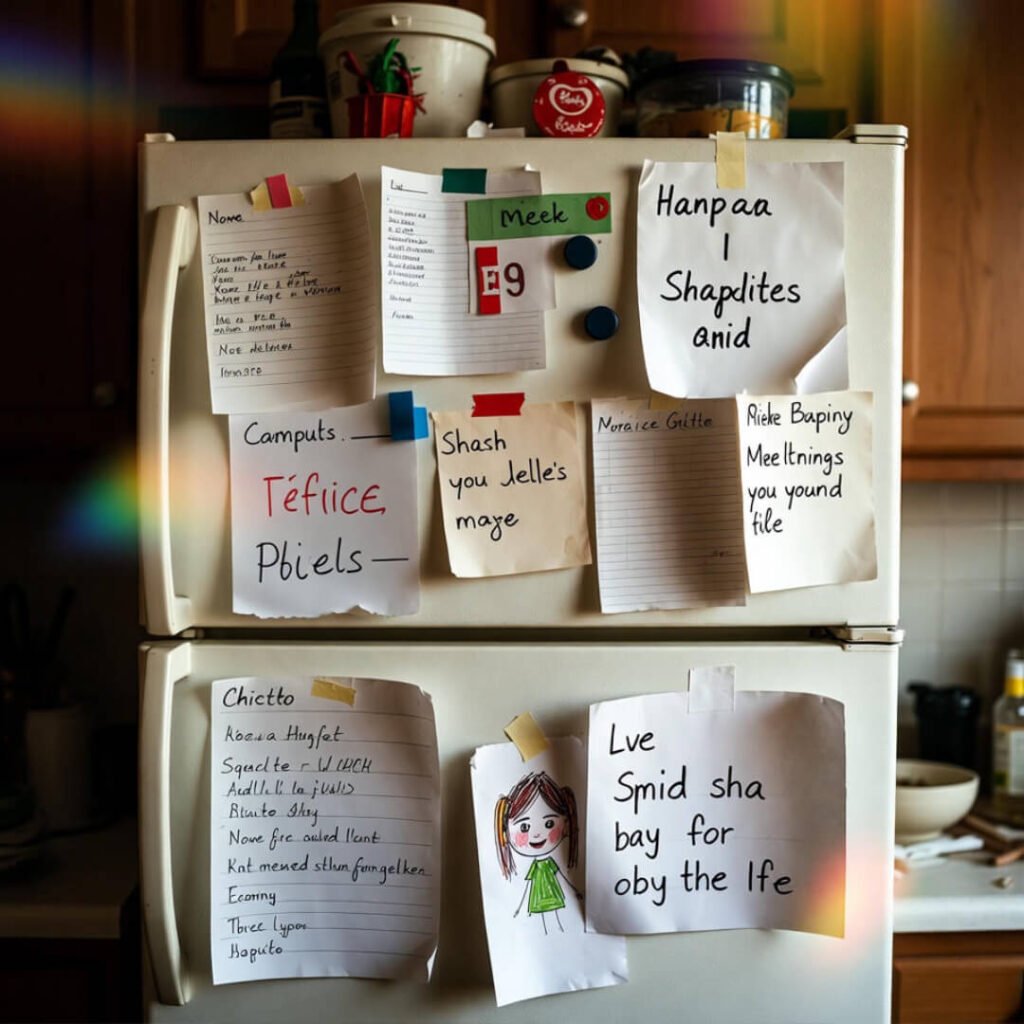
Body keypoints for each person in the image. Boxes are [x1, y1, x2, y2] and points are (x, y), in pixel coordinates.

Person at [494, 770, 581, 933]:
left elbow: (562, 877)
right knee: (543, 921)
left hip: (552, 896)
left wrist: (574, 891)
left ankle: (558, 930)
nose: (536, 834)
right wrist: (520, 906)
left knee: (555, 918)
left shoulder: (549, 864)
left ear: (566, 823)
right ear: (506, 830)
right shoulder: (537, 867)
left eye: (549, 824)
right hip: (538, 897)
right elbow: (528, 886)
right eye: (524, 827)